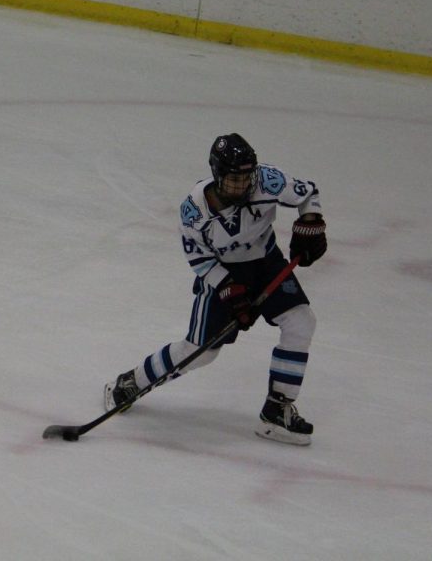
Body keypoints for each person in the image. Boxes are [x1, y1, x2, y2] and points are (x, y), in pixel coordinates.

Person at [103, 133, 327, 445]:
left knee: (301, 322)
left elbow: (307, 193)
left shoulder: (266, 180)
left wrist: (311, 222)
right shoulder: (194, 210)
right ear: (217, 175)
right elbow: (198, 257)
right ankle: (132, 381)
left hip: (267, 264)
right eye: (234, 180)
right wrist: (228, 289)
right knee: (199, 353)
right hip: (224, 273)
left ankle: (277, 409)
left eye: (246, 177)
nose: (243, 185)